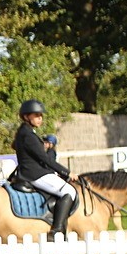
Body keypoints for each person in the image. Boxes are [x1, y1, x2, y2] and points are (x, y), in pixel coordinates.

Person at [13, 100, 77, 237]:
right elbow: (45, 159)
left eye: (40, 115)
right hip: (35, 174)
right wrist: (67, 172)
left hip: (30, 172)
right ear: (26, 117)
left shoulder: (23, 132)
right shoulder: (29, 135)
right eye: (36, 115)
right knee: (69, 191)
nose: (40, 118)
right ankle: (57, 230)